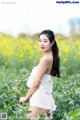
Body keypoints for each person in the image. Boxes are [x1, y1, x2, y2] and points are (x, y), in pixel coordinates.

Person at [19, 30, 60, 120]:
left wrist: (26, 98)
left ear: (52, 43)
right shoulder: (51, 57)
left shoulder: (45, 59)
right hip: (45, 99)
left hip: (39, 100)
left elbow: (36, 83)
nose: (42, 44)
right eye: (40, 41)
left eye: (45, 41)